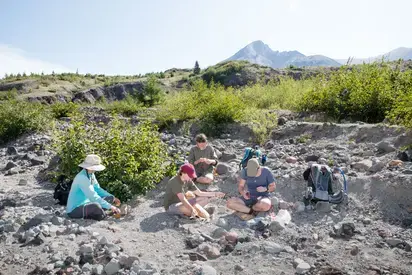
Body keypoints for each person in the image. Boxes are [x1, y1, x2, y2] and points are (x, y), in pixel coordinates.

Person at [66, 154, 121, 221]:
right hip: (74, 210)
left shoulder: (91, 174)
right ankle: (106, 214)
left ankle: (103, 213)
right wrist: (111, 207)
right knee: (96, 206)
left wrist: (113, 198)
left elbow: (97, 189)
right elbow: (93, 197)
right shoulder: (82, 178)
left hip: (87, 203)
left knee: (110, 198)